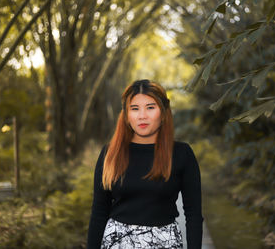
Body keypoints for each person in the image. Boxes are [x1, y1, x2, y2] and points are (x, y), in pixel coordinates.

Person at [87, 79, 203, 249]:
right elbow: (99, 212)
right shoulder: (110, 153)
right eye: (134, 109)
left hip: (165, 243)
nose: (142, 115)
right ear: (126, 115)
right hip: (116, 243)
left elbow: (193, 215)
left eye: (150, 107)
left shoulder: (182, 154)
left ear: (163, 113)